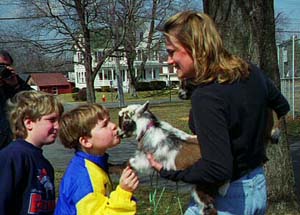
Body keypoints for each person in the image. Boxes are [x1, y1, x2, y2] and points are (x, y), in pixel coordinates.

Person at [147, 11, 290, 215]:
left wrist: (169, 172)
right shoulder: (250, 71)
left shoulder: (207, 97)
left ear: (194, 48)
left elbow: (217, 169)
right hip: (256, 186)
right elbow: (282, 106)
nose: (169, 61)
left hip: (227, 199)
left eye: (172, 52)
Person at [55, 103, 139, 215]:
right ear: (86, 141)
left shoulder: (92, 165)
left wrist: (120, 168)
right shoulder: (84, 180)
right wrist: (124, 193)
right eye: (105, 125)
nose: (113, 125)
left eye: (109, 120)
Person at [0, 90, 64, 215]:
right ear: (29, 123)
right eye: (51, 120)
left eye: (58, 120)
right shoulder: (13, 156)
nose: (57, 126)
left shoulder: (45, 164)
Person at [0, 50, 32, 150]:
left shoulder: (14, 84)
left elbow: (38, 102)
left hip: (13, 147)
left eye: (5, 66)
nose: (2, 69)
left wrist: (16, 85)